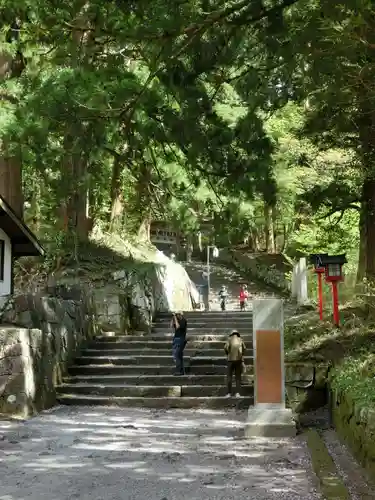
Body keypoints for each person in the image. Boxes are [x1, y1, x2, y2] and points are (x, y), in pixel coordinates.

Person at [224, 330, 246, 397]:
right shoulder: (240, 340)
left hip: (230, 360)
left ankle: (228, 393)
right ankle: (238, 393)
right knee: (238, 377)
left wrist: (228, 354)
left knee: (229, 376)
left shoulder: (229, 339)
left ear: (231, 334)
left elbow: (226, 348)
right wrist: (241, 356)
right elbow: (244, 348)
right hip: (238, 360)